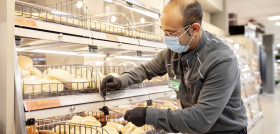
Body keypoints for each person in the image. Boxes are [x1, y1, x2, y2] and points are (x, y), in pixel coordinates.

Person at [101, 0, 247, 133]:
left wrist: (147, 115)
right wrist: (121, 80)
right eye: (163, 31)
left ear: (194, 29)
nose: (166, 38)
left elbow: (201, 119)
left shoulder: (220, 60)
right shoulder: (173, 53)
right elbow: (146, 70)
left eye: (171, 33)